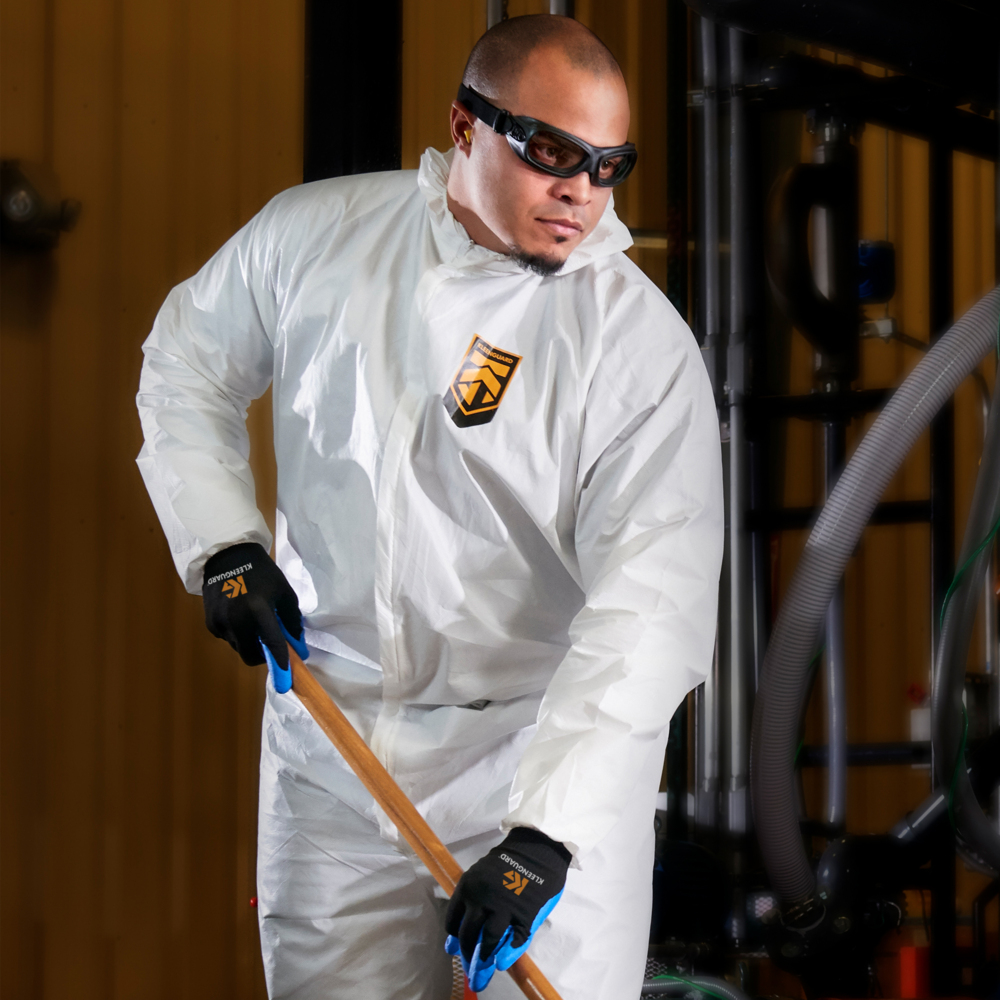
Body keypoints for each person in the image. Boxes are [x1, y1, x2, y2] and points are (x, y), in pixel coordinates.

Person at [136, 14, 722, 1000]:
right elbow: (185, 362)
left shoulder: (634, 349)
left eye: (607, 164)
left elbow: (649, 611)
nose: (579, 189)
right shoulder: (314, 239)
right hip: (333, 741)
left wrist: (549, 831)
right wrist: (222, 543)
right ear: (463, 123)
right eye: (550, 152)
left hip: (533, 757)